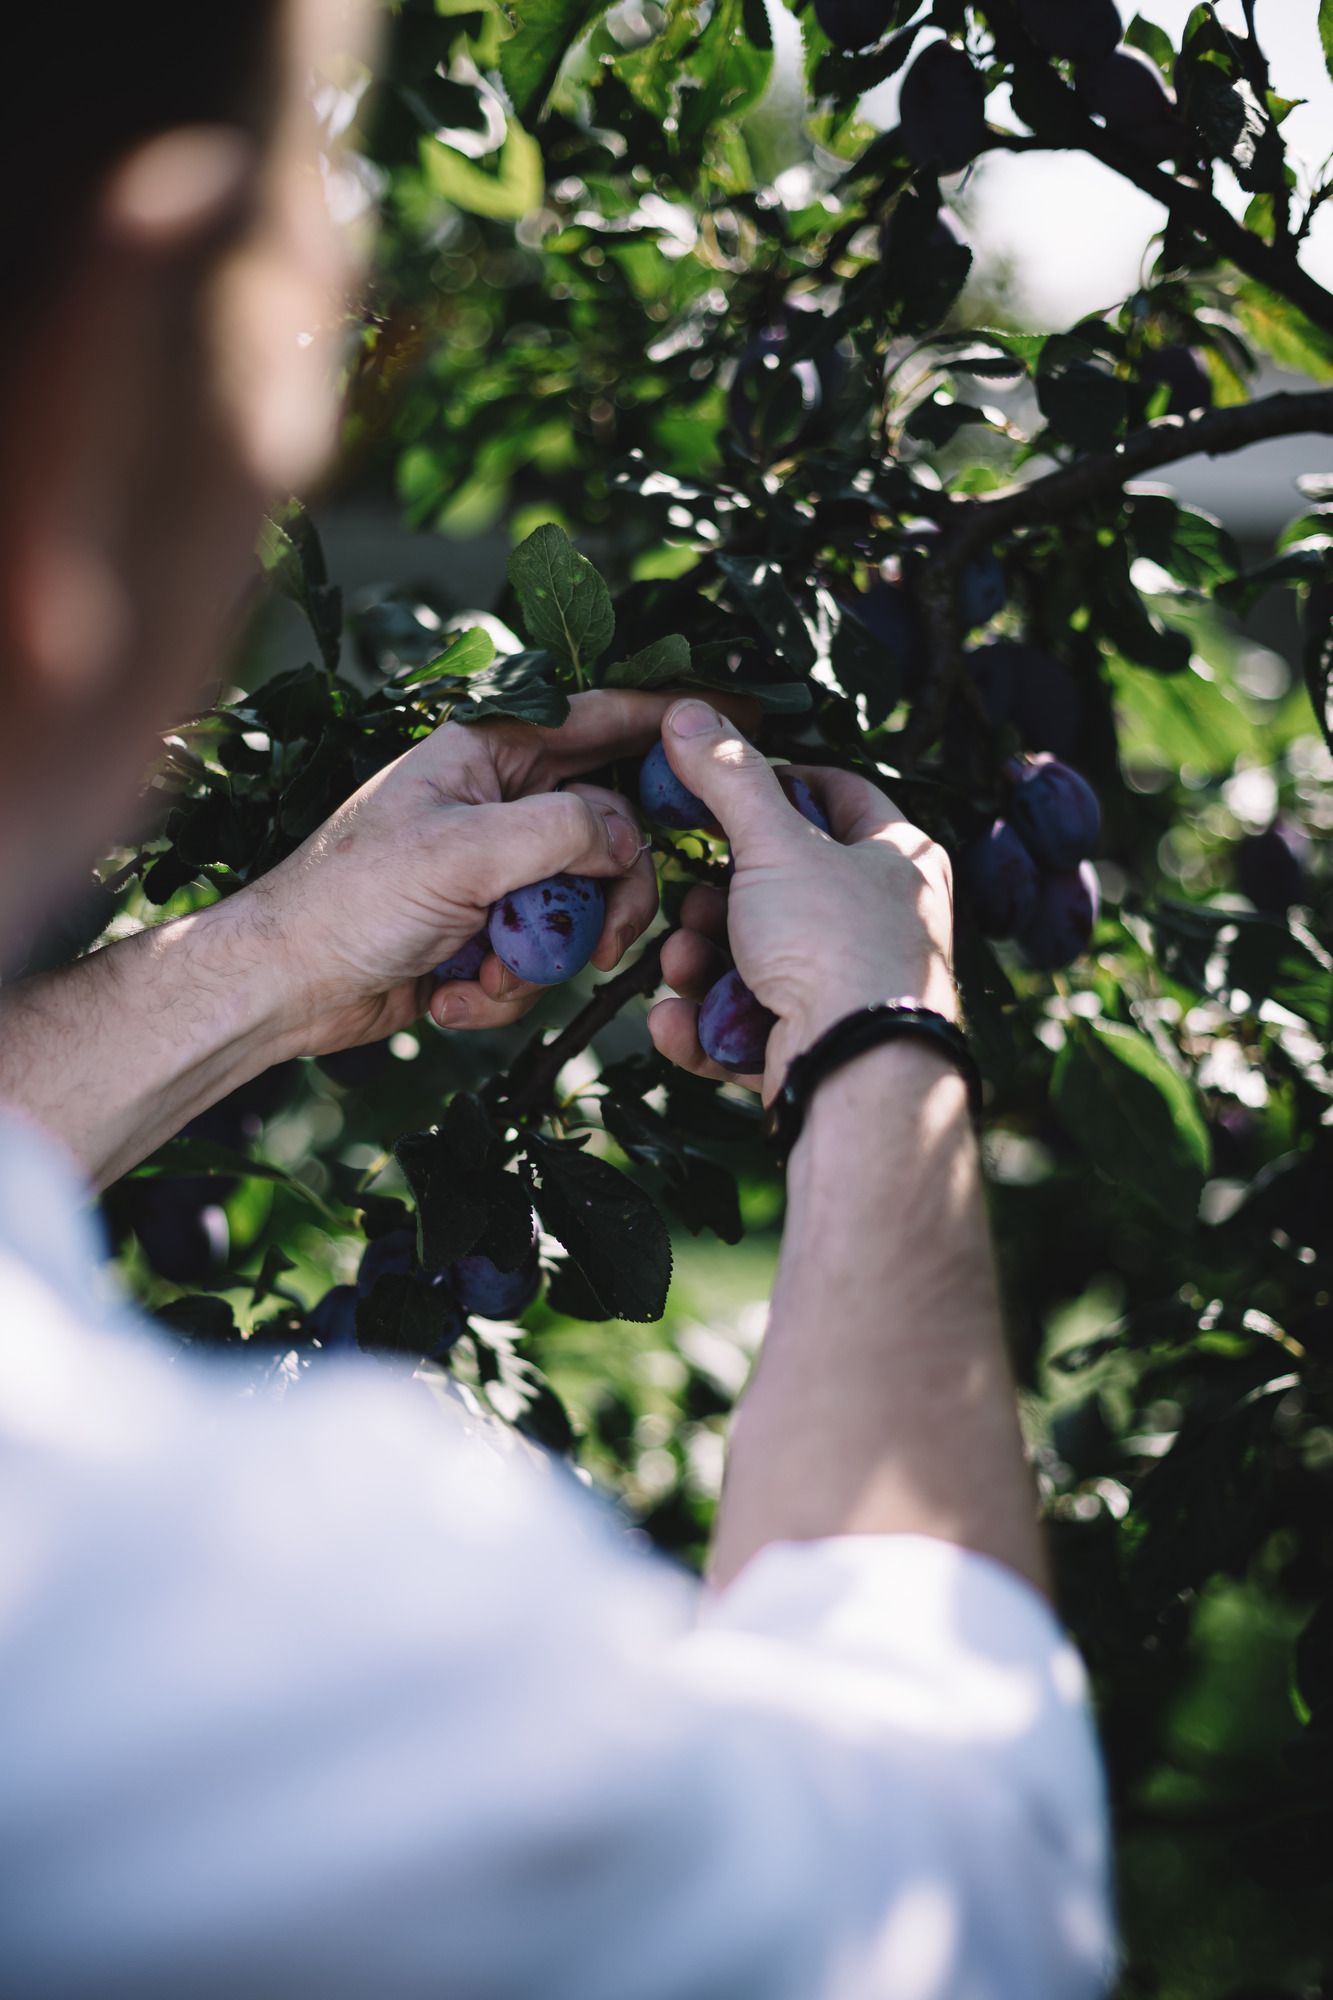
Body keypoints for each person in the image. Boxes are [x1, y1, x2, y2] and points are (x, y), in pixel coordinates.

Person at [0, 2, 1112, 1993]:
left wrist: (270, 949)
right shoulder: (215, 1634)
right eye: (305, 318)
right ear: (105, 376)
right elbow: (969, 1885)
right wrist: (881, 1046)